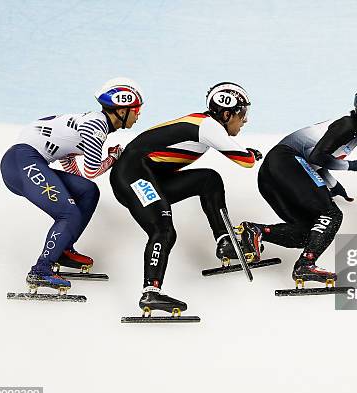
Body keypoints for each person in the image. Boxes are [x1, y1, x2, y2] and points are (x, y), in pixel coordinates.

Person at [110, 82, 261, 314]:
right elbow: (245, 161)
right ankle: (151, 293)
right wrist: (251, 153)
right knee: (163, 230)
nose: (245, 120)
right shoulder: (208, 126)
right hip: (132, 175)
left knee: (208, 179)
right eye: (243, 114)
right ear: (227, 112)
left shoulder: (207, 124)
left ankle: (225, 243)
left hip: (148, 175)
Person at [240, 85, 357, 287]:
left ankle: (255, 231)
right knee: (332, 214)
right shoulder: (348, 126)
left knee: (309, 233)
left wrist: (333, 184)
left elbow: (314, 161)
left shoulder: (355, 132)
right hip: (285, 161)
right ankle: (306, 264)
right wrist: (352, 166)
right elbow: (316, 156)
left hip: (275, 173)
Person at [0, 77, 144, 291]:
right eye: (136, 110)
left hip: (29, 161)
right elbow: (92, 170)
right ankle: (41, 270)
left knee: (87, 191)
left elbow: (70, 164)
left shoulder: (91, 123)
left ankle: (63, 249)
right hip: (22, 161)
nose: (138, 115)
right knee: (69, 213)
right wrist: (114, 157)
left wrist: (80, 183)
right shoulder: (97, 124)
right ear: (121, 111)